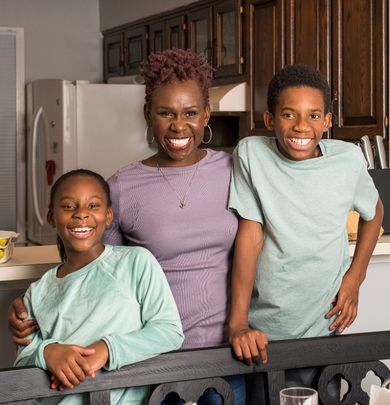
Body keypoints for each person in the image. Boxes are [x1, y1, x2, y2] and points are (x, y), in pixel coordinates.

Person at [9, 49, 245, 404]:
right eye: (165, 113)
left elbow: (261, 248)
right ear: (148, 114)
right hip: (150, 365)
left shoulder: (235, 172)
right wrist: (33, 308)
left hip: (228, 354)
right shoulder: (122, 187)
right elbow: (90, 269)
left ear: (206, 114)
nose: (179, 126)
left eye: (191, 113)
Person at [228, 64, 384, 393]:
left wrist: (355, 278)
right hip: (265, 334)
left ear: (328, 121)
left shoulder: (347, 159)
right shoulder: (251, 154)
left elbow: (375, 210)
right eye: (289, 114)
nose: (302, 126)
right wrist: (238, 322)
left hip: (325, 327)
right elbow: (250, 236)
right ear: (270, 120)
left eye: (314, 116)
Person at [13, 169, 184, 404]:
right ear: (52, 217)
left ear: (108, 215)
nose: (81, 214)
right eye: (68, 206)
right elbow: (22, 362)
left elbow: (169, 331)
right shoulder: (37, 292)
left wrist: (106, 349)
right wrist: (46, 353)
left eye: (93, 206)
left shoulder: (135, 262)